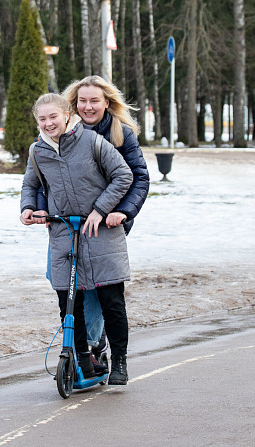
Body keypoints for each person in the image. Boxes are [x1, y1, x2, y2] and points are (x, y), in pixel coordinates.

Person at [20, 93, 134, 385]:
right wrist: (29, 209)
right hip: (63, 234)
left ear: (67, 115)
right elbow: (31, 184)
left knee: (111, 300)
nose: (48, 124)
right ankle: (81, 360)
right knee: (69, 302)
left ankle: (119, 361)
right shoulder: (37, 151)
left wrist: (101, 210)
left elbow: (124, 175)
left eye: (53, 117)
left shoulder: (93, 142)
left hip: (101, 233)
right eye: (42, 119)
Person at [61, 75, 150, 367]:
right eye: (82, 101)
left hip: (108, 222)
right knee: (70, 281)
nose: (88, 107)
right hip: (71, 222)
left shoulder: (120, 133)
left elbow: (138, 178)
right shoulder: (63, 132)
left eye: (94, 101)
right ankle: (86, 341)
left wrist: (123, 212)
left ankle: (93, 342)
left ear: (107, 102)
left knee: (99, 285)